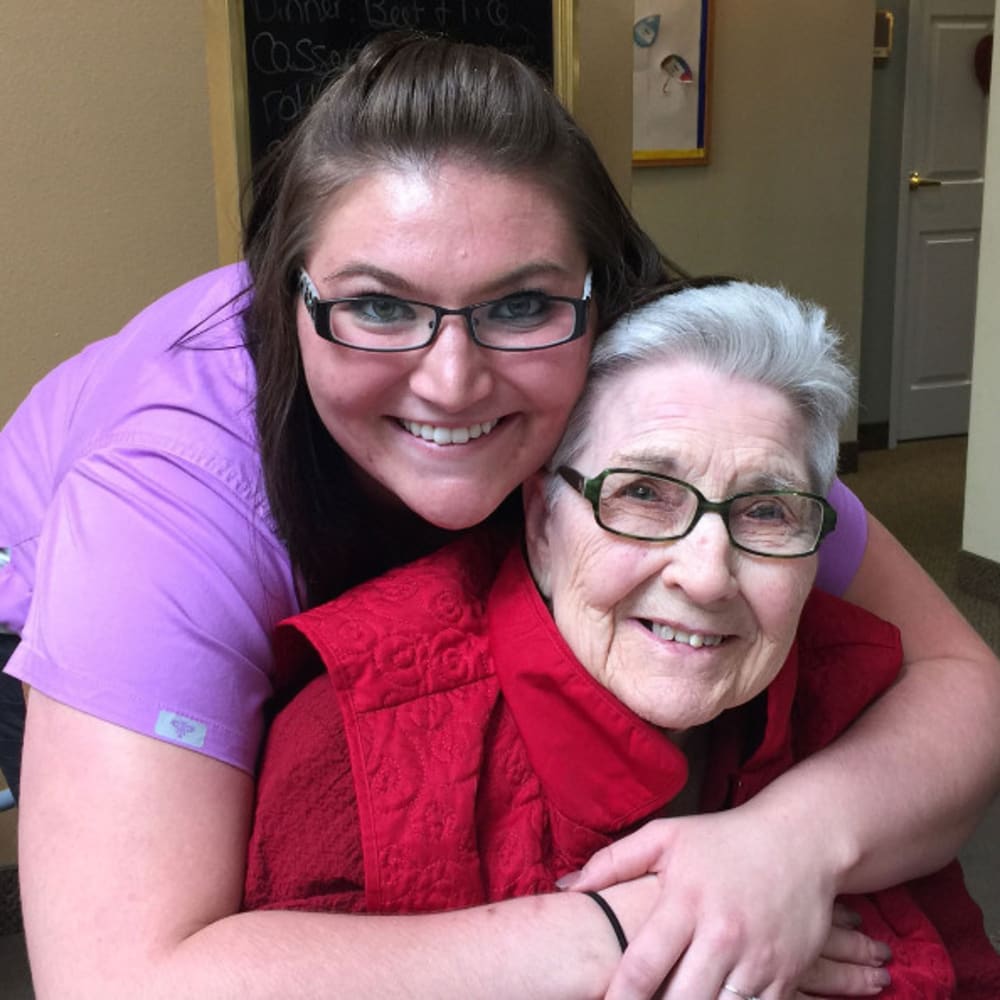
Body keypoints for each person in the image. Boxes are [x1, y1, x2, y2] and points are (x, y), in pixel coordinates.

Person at [2, 31, 997, 1000]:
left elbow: (963, 681)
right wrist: (638, 925)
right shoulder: (173, 488)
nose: (452, 381)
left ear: (598, 293)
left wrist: (786, 845)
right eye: (378, 306)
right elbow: (114, 975)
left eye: (519, 306)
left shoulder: (643, 362)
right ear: (289, 292)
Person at [243, 280, 1000, 998]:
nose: (707, 577)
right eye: (641, 493)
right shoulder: (354, 743)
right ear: (542, 522)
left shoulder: (861, 706)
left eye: (768, 511)